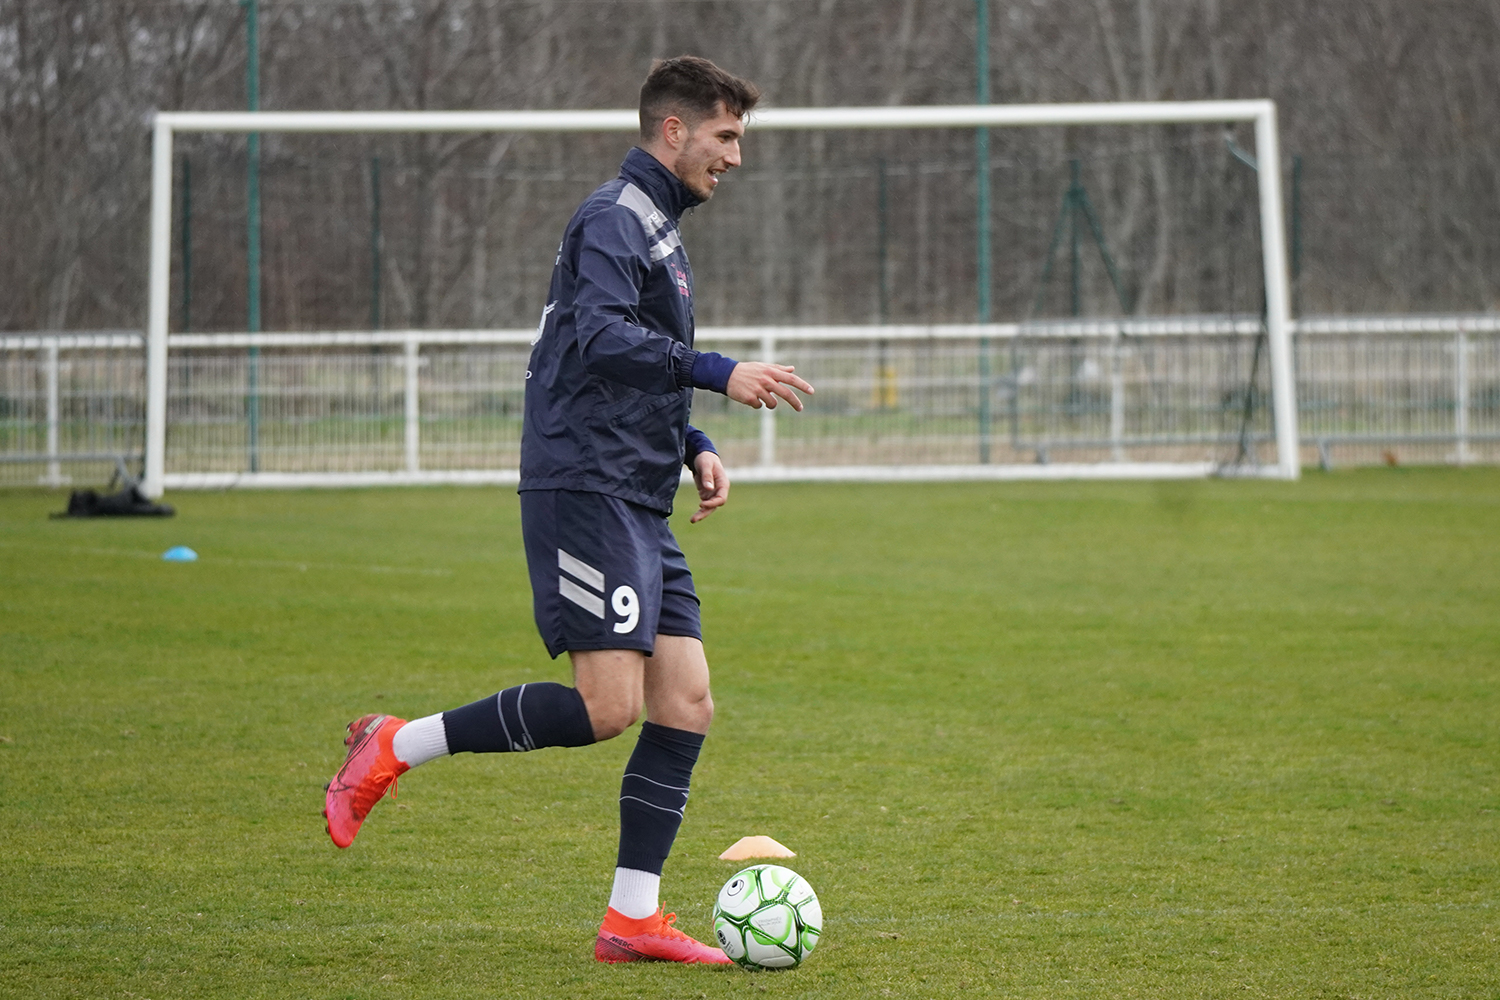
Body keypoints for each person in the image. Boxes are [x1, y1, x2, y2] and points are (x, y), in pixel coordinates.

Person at [322, 55, 813, 966]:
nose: (736, 157)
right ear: (674, 130)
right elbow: (598, 335)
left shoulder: (658, 226)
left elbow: (632, 364)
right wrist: (719, 374)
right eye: (726, 137)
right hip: (584, 488)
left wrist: (693, 446)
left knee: (687, 700)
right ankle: (395, 742)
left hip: (633, 487)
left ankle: (632, 919)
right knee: (606, 706)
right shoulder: (613, 218)